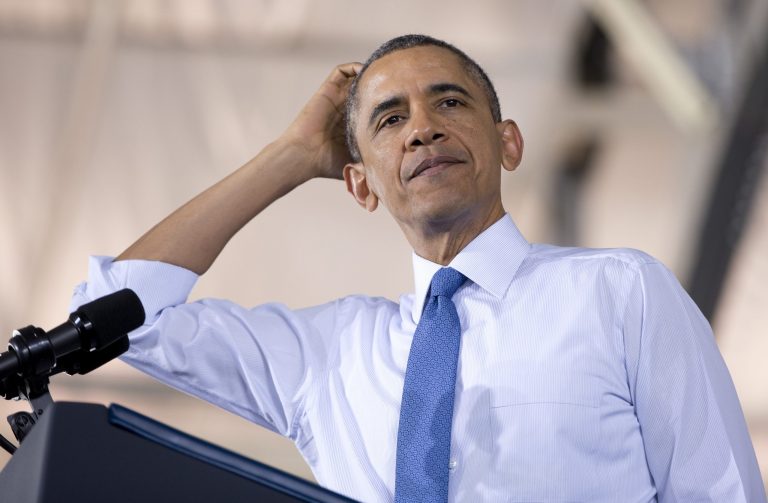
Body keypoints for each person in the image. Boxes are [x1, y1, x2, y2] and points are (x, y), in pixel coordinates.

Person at [71, 34, 766, 502]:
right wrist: (286, 157)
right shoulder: (329, 357)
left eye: (450, 101)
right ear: (361, 185)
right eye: (388, 120)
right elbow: (119, 312)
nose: (423, 128)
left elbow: (722, 491)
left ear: (509, 143)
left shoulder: (622, 293)